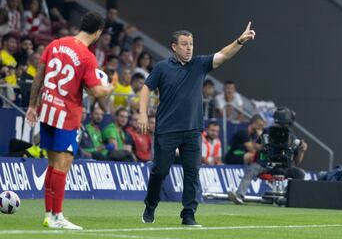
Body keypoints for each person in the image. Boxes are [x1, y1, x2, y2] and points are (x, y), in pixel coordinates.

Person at [138, 22, 256, 226]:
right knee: (160, 171)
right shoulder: (162, 67)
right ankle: (150, 205)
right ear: (174, 46)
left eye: (191, 43)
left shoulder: (199, 64)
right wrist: (142, 113)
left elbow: (224, 54)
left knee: (192, 173)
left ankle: (188, 214)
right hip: (167, 130)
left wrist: (239, 41)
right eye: (184, 44)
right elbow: (146, 89)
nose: (189, 47)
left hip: (193, 130)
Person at [25, 12, 113, 230]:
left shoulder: (55, 44)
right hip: (66, 114)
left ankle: (49, 215)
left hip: (47, 110)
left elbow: (39, 75)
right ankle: (58, 215)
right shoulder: (86, 56)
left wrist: (32, 105)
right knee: (63, 166)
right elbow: (95, 91)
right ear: (98, 32)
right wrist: (108, 88)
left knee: (53, 164)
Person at [228, 108, 308, 205]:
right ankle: (239, 195)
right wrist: (264, 146)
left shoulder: (291, 136)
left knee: (300, 174)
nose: (280, 126)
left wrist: (301, 151)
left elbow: (297, 162)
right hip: (267, 164)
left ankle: (287, 197)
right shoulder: (267, 131)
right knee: (252, 169)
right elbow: (255, 146)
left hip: (285, 166)